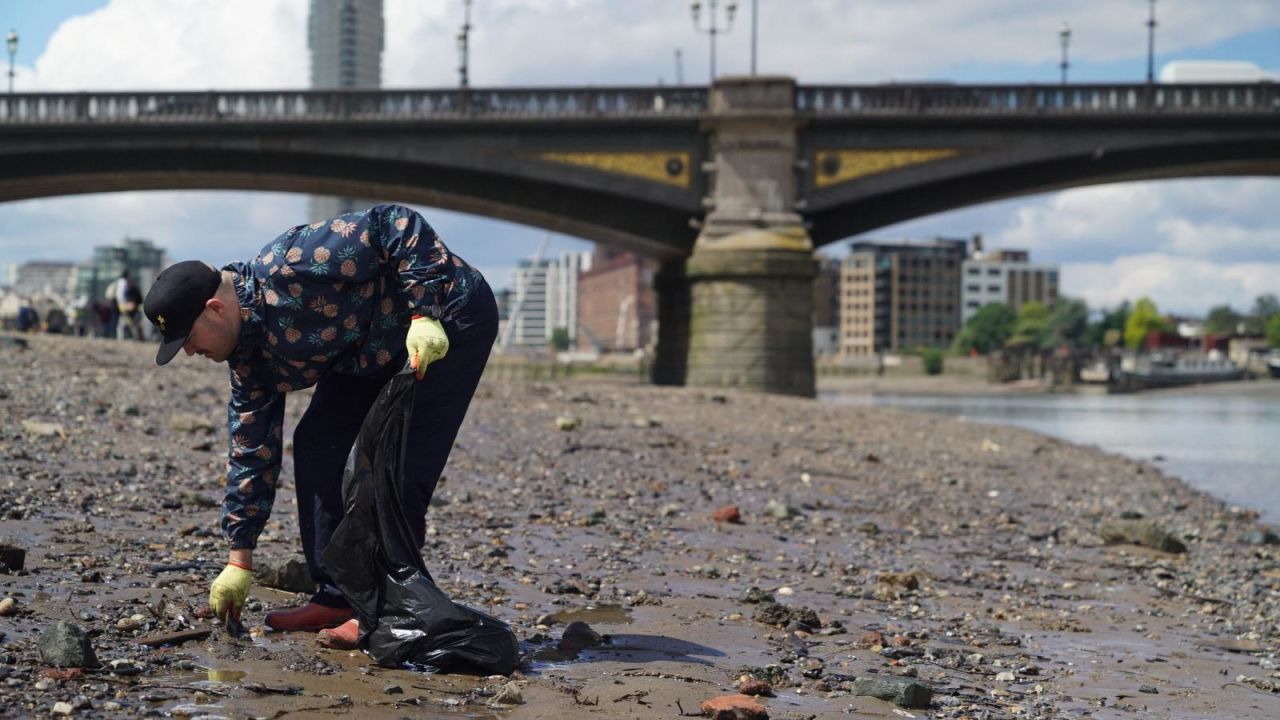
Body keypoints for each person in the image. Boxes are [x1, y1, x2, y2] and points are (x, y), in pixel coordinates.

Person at [143, 205, 498, 649]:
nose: (190, 353)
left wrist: (424, 313)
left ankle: (387, 611)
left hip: (447, 318)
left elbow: (397, 222)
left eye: (188, 340)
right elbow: (251, 454)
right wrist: (240, 559)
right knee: (316, 444)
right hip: (364, 352)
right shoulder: (249, 361)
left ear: (215, 309)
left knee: (398, 468)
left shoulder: (294, 262)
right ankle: (339, 595)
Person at [116, 271, 144, 340]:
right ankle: (123, 338)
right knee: (124, 324)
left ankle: (138, 338)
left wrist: (129, 305)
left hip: (133, 310)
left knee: (135, 325)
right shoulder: (128, 290)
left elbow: (134, 303)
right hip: (128, 309)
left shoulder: (133, 290)